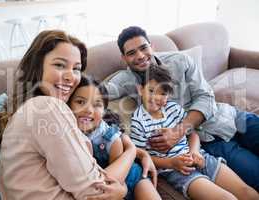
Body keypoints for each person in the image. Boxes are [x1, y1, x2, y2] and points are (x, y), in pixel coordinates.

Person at [0, 30, 156, 200]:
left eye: (77, 69)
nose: (70, 77)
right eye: (59, 65)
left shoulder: (30, 110)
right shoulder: (46, 107)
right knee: (136, 173)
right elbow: (97, 192)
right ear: (37, 67)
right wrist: (130, 153)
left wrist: (139, 152)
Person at [104, 26, 259, 191]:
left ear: (152, 46)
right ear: (124, 58)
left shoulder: (180, 61)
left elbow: (206, 97)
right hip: (210, 141)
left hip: (231, 117)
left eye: (143, 48)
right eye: (131, 53)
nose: (140, 56)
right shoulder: (125, 80)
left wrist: (178, 132)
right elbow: (96, 92)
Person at [130, 65, 258, 199]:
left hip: (199, 156)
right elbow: (141, 156)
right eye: (151, 90)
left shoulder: (173, 108)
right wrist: (171, 163)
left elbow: (193, 134)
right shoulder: (138, 121)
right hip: (175, 170)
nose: (156, 97)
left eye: (162, 93)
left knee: (248, 193)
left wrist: (195, 151)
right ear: (140, 89)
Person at [68, 75, 161, 200]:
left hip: (131, 176)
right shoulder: (66, 133)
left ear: (104, 111)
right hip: (104, 183)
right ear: (68, 104)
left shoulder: (112, 139)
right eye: (80, 102)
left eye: (97, 105)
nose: (88, 110)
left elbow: (119, 178)